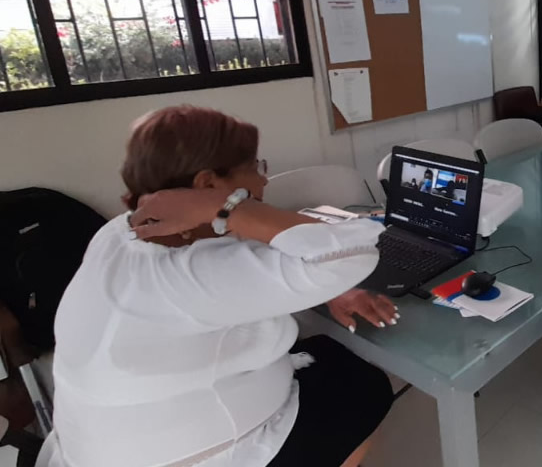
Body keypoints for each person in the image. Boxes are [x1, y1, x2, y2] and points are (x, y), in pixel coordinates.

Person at [38, 106, 397, 467]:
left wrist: (328, 285)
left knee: (327, 355)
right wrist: (226, 207)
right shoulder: (195, 272)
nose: (264, 181)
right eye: (256, 168)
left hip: (96, 448)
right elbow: (353, 253)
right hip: (198, 456)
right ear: (208, 185)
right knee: (363, 386)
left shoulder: (117, 234)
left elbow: (243, 255)